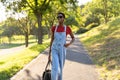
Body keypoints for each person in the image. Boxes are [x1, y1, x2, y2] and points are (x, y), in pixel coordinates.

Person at [48, 12, 75, 80]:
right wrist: (49, 54)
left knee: (60, 69)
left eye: (60, 17)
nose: (59, 18)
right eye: (58, 17)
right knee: (55, 67)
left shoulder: (67, 28)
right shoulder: (54, 28)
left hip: (62, 50)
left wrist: (69, 44)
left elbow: (73, 38)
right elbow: (52, 40)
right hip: (55, 49)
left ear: (63, 18)